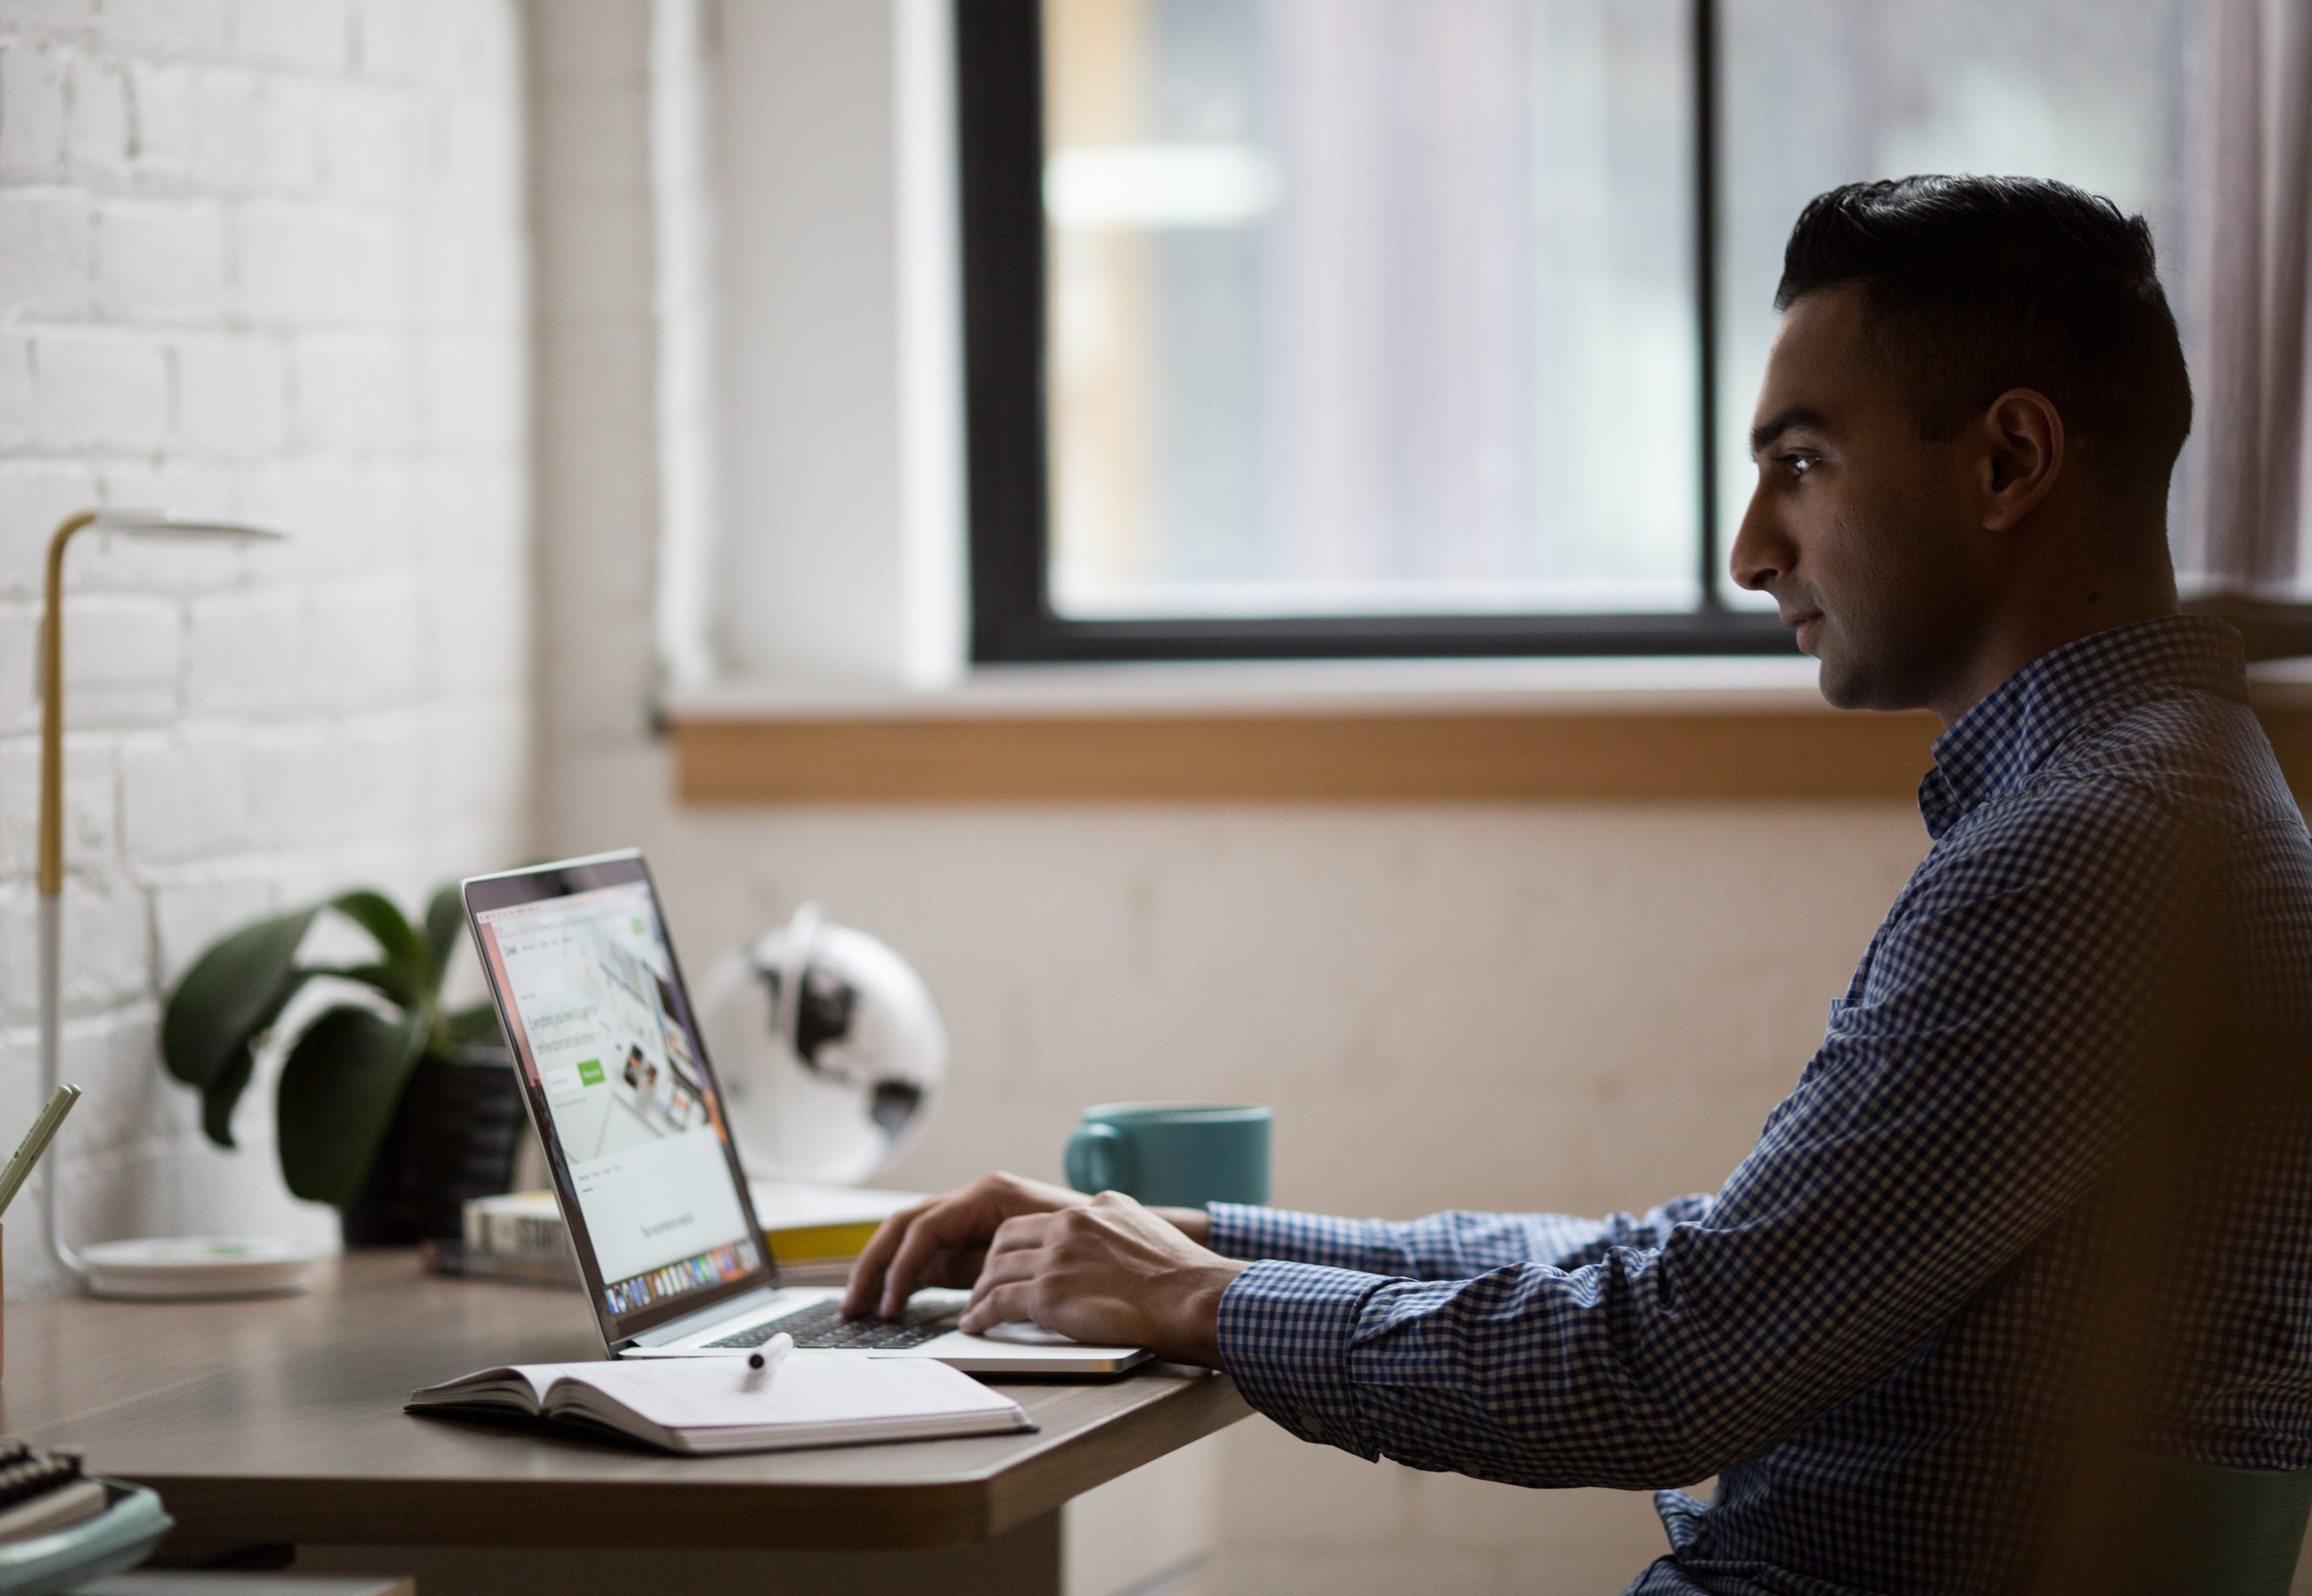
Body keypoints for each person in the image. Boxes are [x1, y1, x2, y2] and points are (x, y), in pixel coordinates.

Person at [843, 176, 2312, 1594]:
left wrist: (1196, 1308)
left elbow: (1663, 1369)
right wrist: (1199, 1244)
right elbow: (1688, 1271)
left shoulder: (2086, 858)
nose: (1750, 552)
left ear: (2005, 462)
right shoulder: (2160, 808)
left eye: (1799, 463)